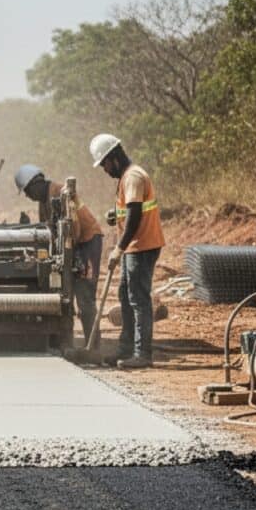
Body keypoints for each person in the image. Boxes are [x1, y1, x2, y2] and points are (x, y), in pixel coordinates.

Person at [90, 134, 165, 369]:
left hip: (141, 246)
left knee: (138, 300)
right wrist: (116, 214)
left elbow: (134, 216)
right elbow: (129, 211)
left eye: (104, 164)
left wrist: (119, 248)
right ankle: (125, 349)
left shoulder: (132, 176)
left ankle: (142, 354)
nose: (104, 169)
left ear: (113, 157)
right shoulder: (126, 177)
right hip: (135, 245)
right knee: (125, 296)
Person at [15, 164, 103, 343]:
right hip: (72, 247)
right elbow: (47, 231)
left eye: (27, 191)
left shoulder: (60, 192)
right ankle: (65, 341)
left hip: (85, 243)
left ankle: (93, 347)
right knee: (66, 294)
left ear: (35, 183)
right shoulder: (44, 201)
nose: (27, 196)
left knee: (84, 296)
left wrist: (71, 256)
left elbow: (74, 228)